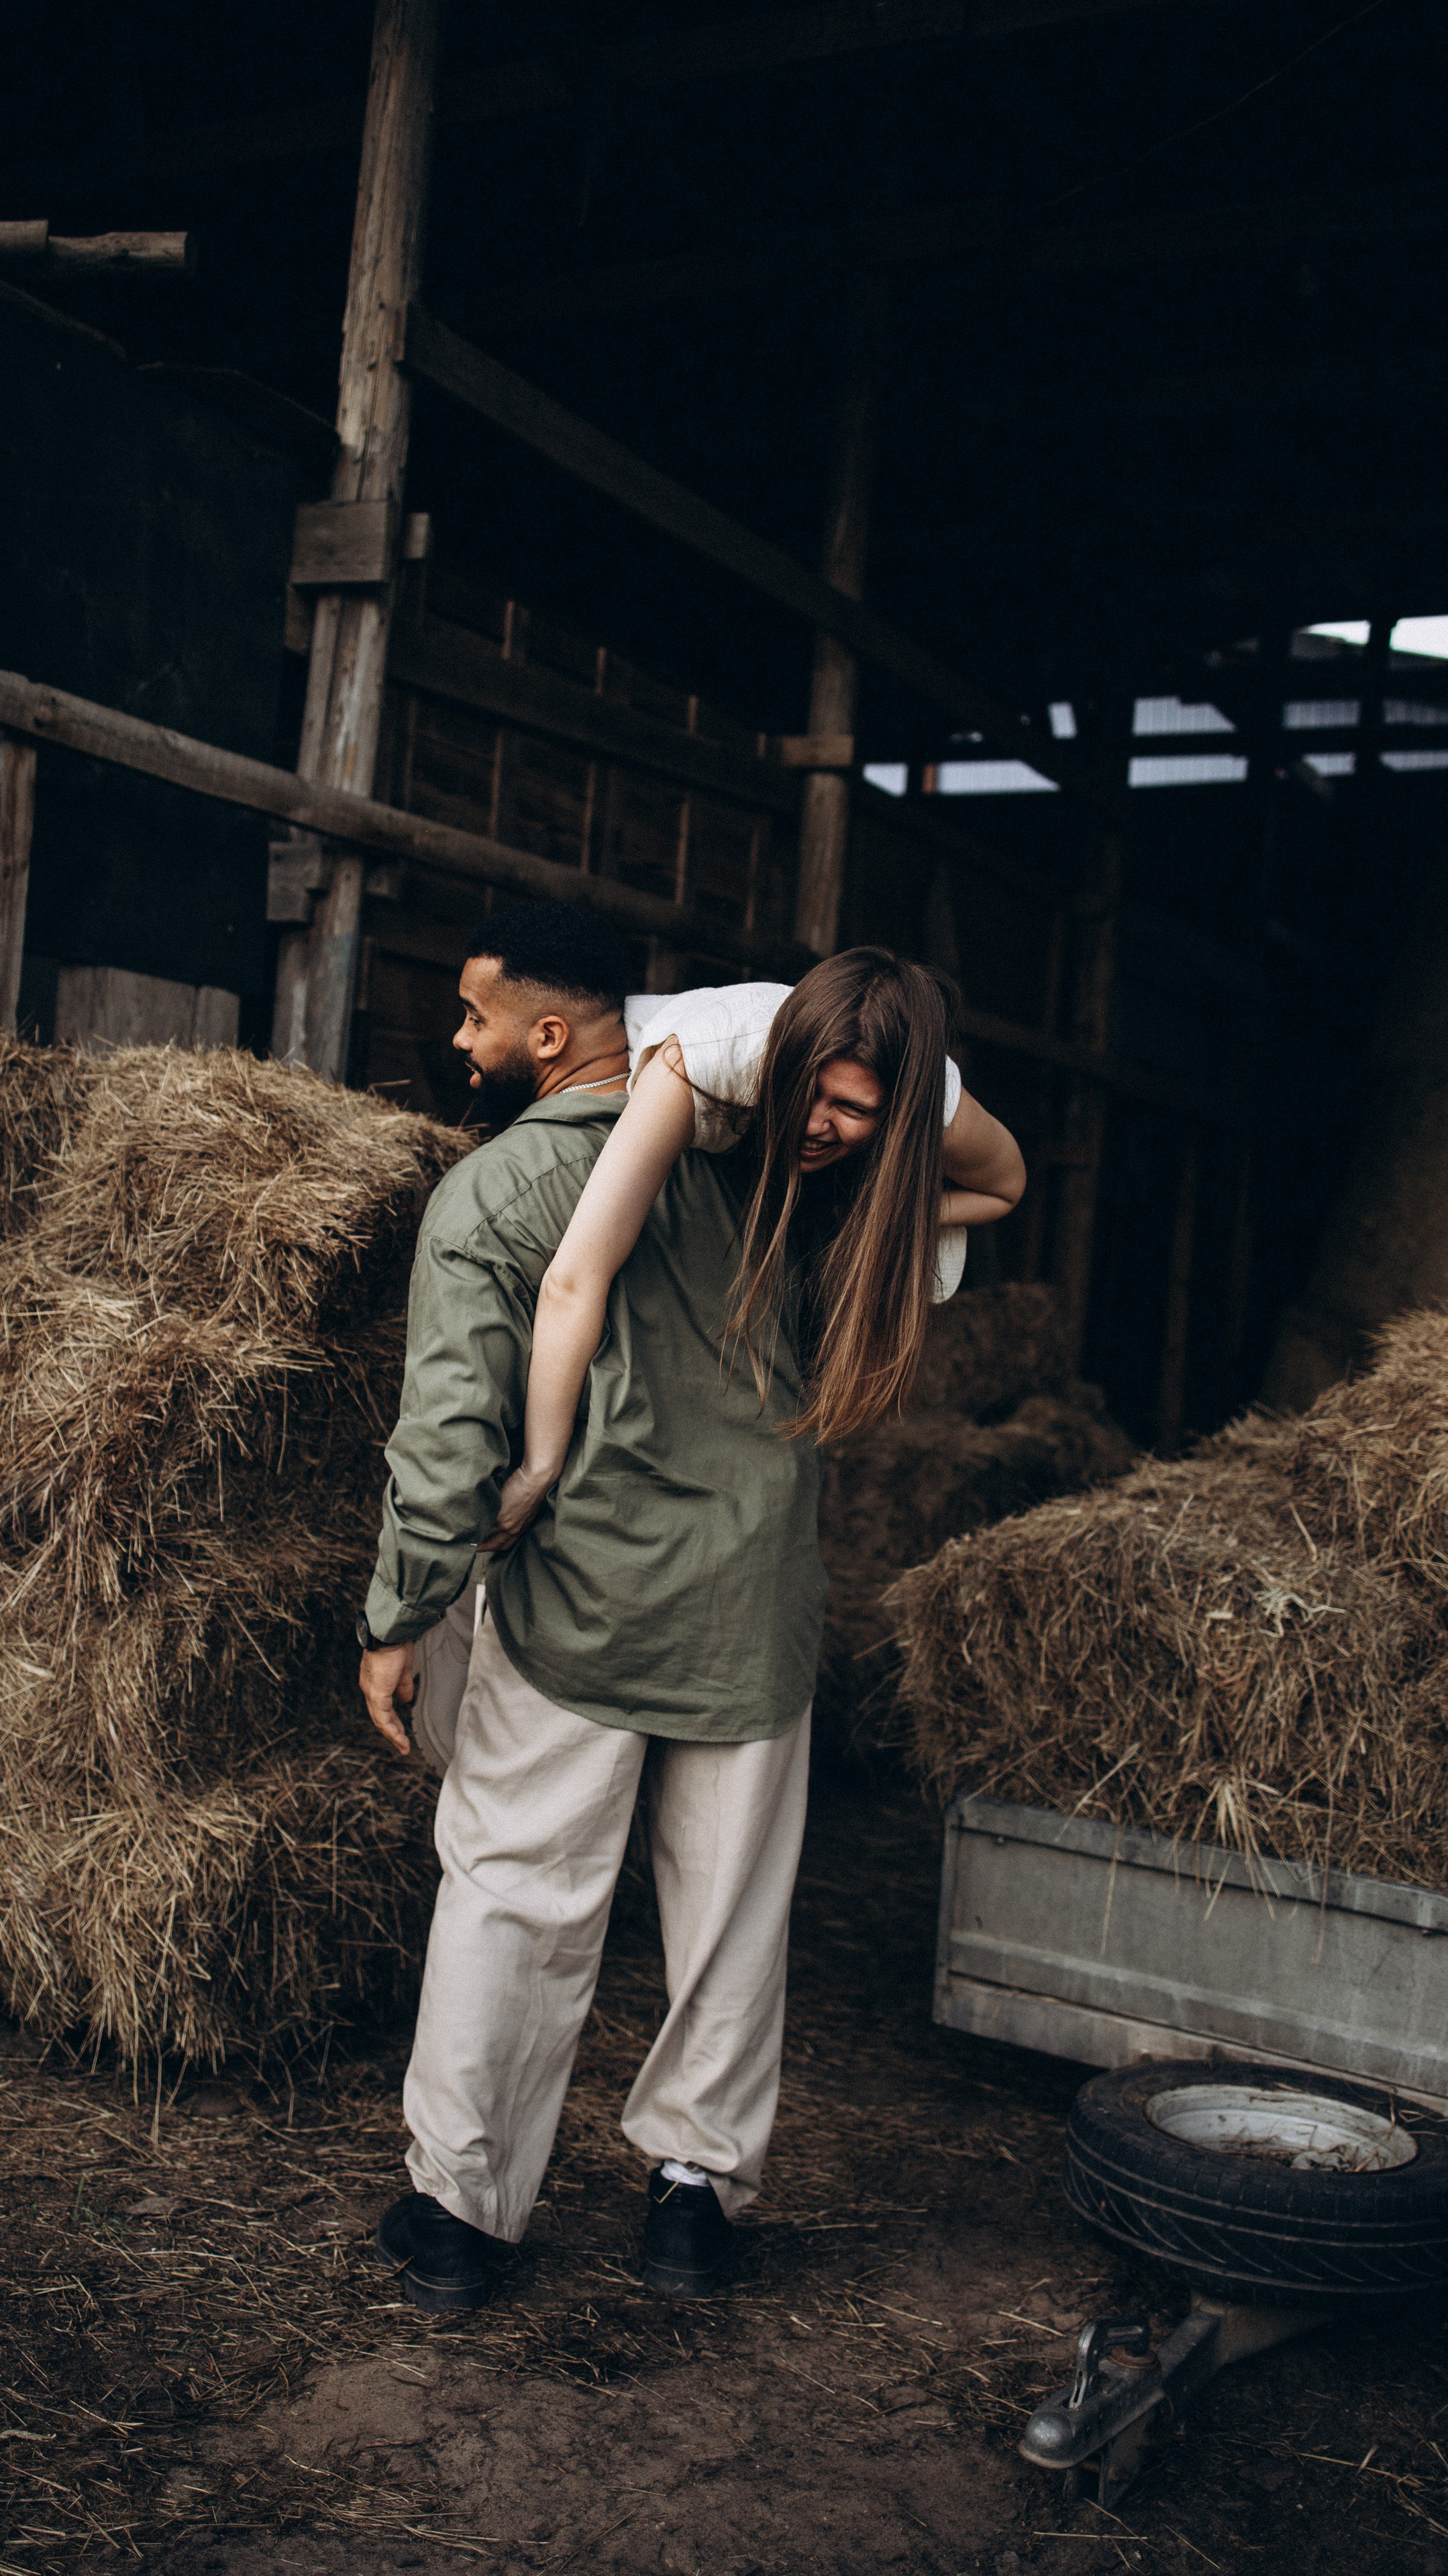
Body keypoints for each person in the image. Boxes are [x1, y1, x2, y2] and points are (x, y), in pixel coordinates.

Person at [357, 902, 1024, 2318]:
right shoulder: (773, 1180)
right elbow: (991, 1180)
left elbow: (452, 1424)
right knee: (729, 1914)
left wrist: (402, 1608)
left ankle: (465, 2218)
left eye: (472, 1018)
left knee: (515, 1892)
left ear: (561, 1030)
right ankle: (693, 2208)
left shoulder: (503, 1190)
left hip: (581, 1604)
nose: (458, 1042)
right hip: (755, 1599)